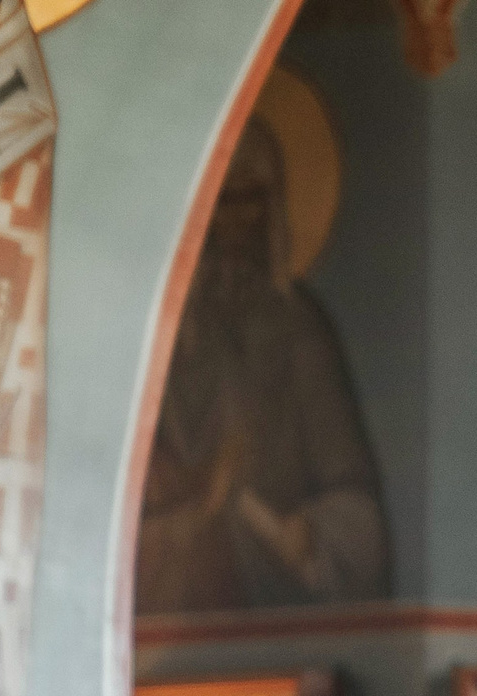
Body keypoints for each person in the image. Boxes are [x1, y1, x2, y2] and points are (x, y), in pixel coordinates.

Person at [137, 119, 391, 614]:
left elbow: (357, 505)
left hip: (270, 591)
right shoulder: (167, 331)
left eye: (247, 200)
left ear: (270, 208)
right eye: (219, 202)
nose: (232, 223)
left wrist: (307, 535)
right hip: (173, 587)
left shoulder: (298, 330)